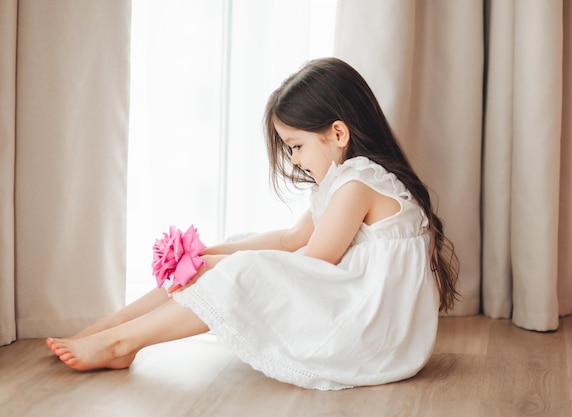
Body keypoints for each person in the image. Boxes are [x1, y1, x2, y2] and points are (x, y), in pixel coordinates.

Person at [47, 57, 460, 391]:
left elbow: (315, 261)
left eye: (296, 147)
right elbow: (293, 238)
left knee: (242, 269)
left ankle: (120, 341)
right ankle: (111, 328)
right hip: (364, 320)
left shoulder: (359, 183)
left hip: (371, 338)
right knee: (231, 251)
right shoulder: (350, 180)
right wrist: (215, 252)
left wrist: (225, 266)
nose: (295, 160)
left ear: (337, 133)